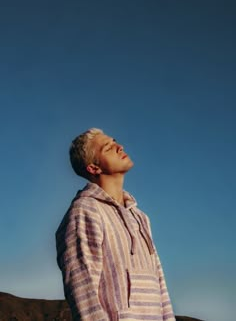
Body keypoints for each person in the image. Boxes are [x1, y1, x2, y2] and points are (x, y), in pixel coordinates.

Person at [56, 128, 175, 321]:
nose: (119, 147)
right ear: (93, 168)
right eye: (108, 148)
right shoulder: (85, 210)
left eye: (115, 142)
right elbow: (82, 290)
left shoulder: (140, 217)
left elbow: (160, 281)